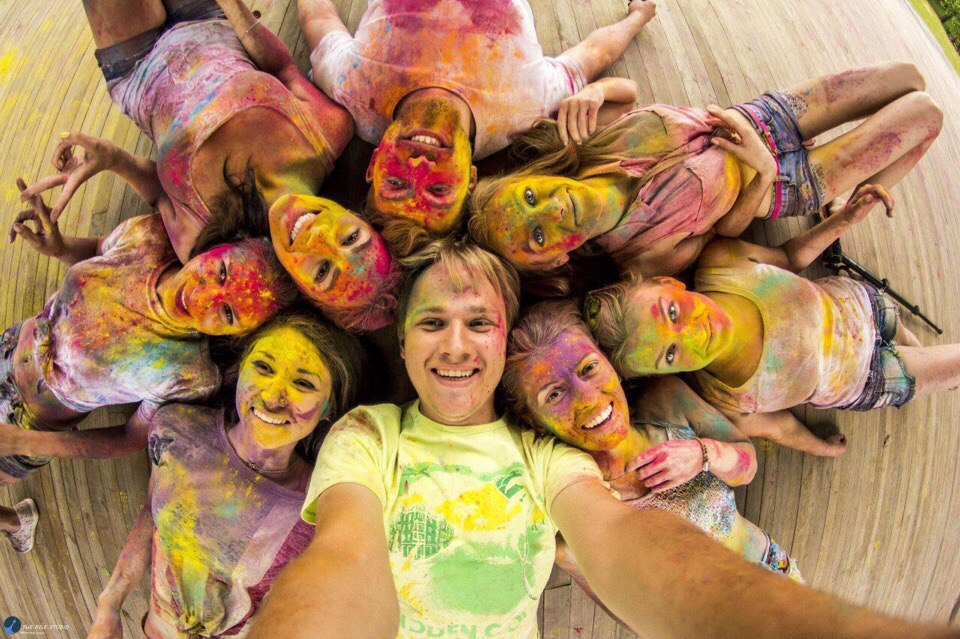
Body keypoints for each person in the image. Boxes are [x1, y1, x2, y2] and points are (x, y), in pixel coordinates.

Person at [245, 238, 958, 639]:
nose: (455, 345)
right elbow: (344, 553)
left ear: (502, 339)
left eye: (479, 323)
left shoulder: (548, 456)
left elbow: (620, 538)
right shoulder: (370, 433)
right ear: (401, 344)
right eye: (432, 323)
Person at [29, 0, 401, 326]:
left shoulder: (204, 243)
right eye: (350, 238)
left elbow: (160, 195)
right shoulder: (328, 132)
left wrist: (111, 159)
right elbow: (282, 66)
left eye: (321, 271)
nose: (318, 237)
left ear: (303, 291)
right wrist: (233, 6)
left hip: (136, 68)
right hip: (208, 16)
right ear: (360, 218)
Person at [0, 182, 295, 552]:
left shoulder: (188, 374)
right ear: (220, 245)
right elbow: (100, 251)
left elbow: (130, 438)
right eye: (221, 272)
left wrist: (26, 442)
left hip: (30, 424)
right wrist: (60, 247)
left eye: (227, 312)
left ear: (237, 335)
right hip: (11, 345)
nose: (200, 296)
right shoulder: (150, 239)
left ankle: (17, 524)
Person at [468, 63, 943, 281]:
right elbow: (725, 233)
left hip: (762, 116)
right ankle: (849, 198)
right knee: (926, 114)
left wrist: (596, 92)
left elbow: (627, 92)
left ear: (531, 178)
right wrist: (761, 171)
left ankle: (846, 191)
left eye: (530, 197)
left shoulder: (583, 142)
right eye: (537, 236)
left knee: (910, 78)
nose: (552, 209)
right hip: (784, 184)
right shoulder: (641, 256)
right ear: (554, 261)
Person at [584, 183, 959, 456]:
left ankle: (924, 358)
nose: (696, 334)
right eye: (670, 354)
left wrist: (845, 219)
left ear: (670, 283)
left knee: (910, 341)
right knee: (947, 365)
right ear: (665, 373)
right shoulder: (722, 396)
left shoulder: (723, 265)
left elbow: (790, 257)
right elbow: (780, 427)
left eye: (672, 312)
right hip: (866, 377)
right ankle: (934, 369)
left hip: (864, 303)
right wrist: (821, 448)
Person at [85, 310, 365, 639]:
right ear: (241, 368)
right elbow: (151, 513)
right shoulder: (177, 430)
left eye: (303, 383)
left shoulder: (321, 507)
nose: (272, 398)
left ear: (329, 407)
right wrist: (109, 605)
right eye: (263, 367)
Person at [298, 0, 657, 255]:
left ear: (374, 163)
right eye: (438, 189)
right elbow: (594, 55)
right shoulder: (525, 108)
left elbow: (318, 18)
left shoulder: (354, 89)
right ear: (470, 178)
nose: (419, 166)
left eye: (395, 183)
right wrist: (638, 17)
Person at [503, 300, 802, 584]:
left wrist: (705, 453)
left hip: (772, 567)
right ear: (534, 422)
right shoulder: (576, 520)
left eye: (589, 368)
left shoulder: (667, 401)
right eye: (554, 394)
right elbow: (622, 607)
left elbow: (747, 466)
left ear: (608, 361)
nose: (589, 398)